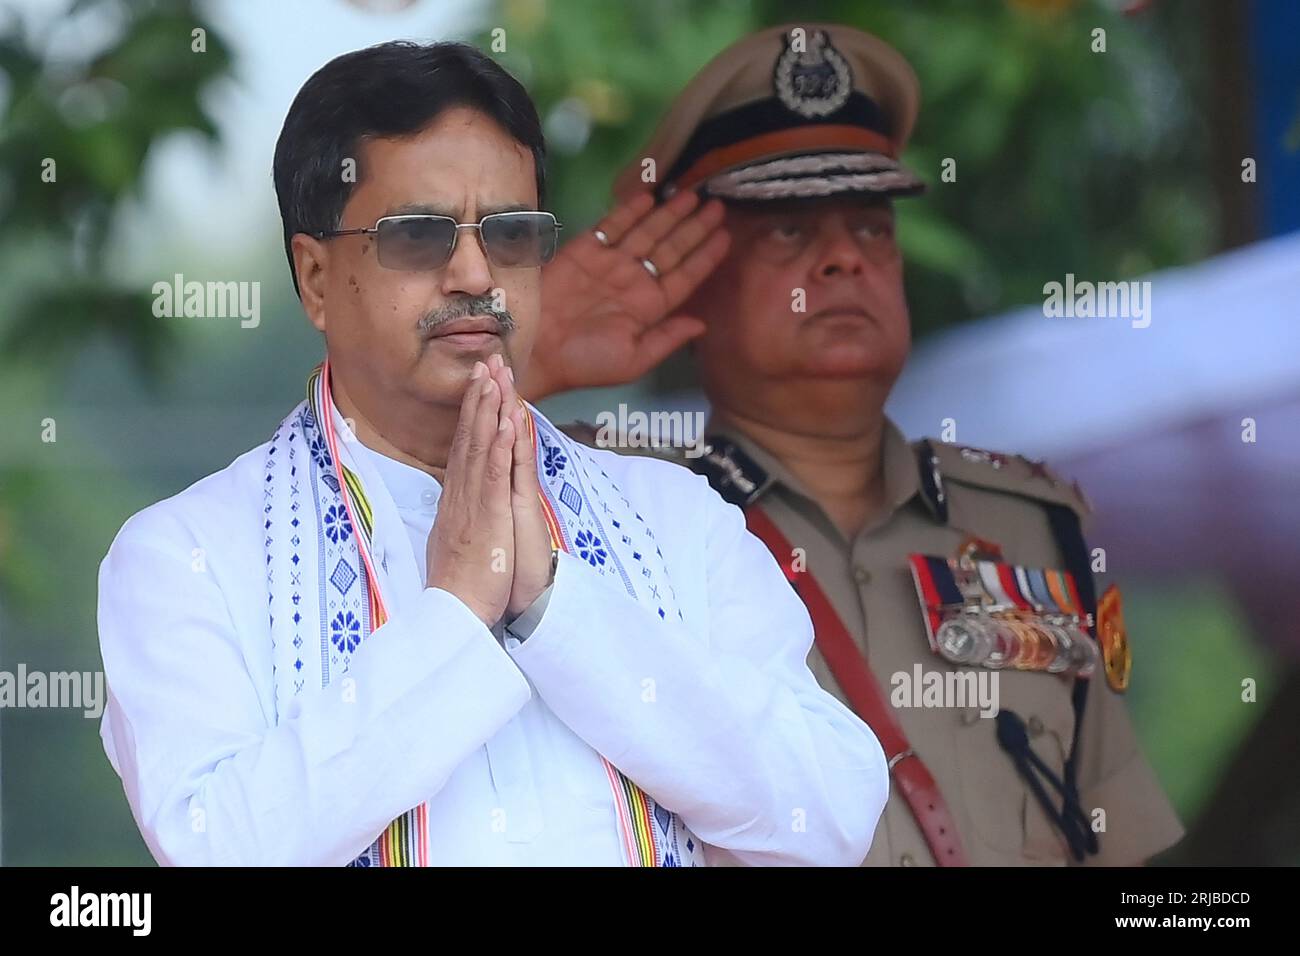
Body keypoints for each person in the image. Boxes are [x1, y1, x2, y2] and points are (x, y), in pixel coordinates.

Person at [95, 40, 888, 867]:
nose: (475, 270)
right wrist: (458, 616)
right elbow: (220, 851)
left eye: (510, 233)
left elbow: (830, 815)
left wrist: (555, 607)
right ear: (317, 278)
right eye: (418, 236)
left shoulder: (678, 518)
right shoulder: (186, 556)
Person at [528, 23, 1184, 866]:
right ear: (688, 276)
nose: (844, 258)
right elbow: (365, 487)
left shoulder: (1033, 528)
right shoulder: (599, 505)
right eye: (790, 232)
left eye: (872, 228)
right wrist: (530, 351)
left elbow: (1125, 850)